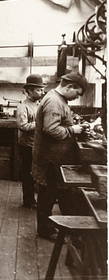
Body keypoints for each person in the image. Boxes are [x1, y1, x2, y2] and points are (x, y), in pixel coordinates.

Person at [32, 72, 90, 241]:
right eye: (77, 93)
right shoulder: (54, 101)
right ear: (69, 87)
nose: (76, 97)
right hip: (51, 159)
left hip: (55, 158)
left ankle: (62, 228)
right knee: (47, 195)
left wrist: (73, 126)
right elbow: (51, 129)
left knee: (52, 194)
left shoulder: (58, 99)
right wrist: (73, 130)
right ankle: (45, 229)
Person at [17, 74, 46, 209]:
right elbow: (22, 126)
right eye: (38, 90)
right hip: (27, 146)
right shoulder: (23, 107)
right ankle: (28, 201)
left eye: (42, 90)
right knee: (28, 173)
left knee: (37, 172)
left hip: (37, 144)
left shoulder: (39, 105)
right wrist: (39, 123)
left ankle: (36, 198)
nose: (41, 92)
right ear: (29, 91)